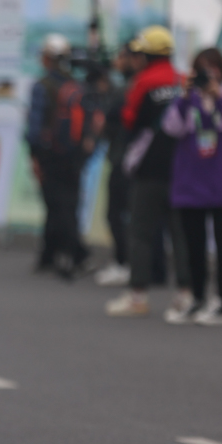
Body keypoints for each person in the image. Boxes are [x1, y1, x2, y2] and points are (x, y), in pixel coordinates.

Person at [106, 26, 191, 318]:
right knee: (180, 233)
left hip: (148, 169)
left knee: (141, 233)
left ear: (148, 55)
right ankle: (185, 294)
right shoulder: (182, 80)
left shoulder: (143, 83)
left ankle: (138, 296)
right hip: (181, 168)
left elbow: (129, 120)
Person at [162, 48, 222, 326]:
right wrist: (186, 97)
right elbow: (171, 128)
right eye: (202, 70)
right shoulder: (186, 102)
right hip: (192, 183)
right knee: (193, 245)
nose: (207, 75)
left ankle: (221, 300)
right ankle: (197, 296)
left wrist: (218, 94)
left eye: (212, 69)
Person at [25, 33, 89, 279]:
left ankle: (74, 251)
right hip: (74, 153)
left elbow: (34, 124)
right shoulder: (76, 85)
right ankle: (51, 253)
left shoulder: (43, 86)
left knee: (55, 203)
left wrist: (34, 153)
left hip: (50, 153)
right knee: (68, 202)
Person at [94, 45, 139, 286]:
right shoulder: (129, 87)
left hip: (125, 159)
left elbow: (109, 123)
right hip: (132, 159)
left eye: (121, 57)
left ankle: (124, 262)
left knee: (117, 214)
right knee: (129, 215)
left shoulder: (128, 90)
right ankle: (132, 264)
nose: (116, 62)